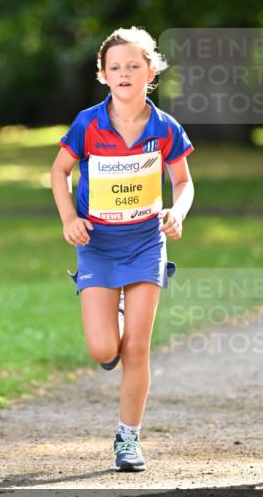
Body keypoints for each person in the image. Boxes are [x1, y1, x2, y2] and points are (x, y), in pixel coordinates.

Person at [51, 27, 195, 472]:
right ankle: (109, 323)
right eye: (116, 67)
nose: (125, 73)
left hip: (145, 244)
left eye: (134, 65)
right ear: (103, 75)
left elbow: (184, 182)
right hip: (96, 245)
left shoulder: (165, 127)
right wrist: (69, 219)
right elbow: (59, 173)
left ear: (150, 71)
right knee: (102, 349)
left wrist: (179, 212)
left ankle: (128, 437)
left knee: (137, 346)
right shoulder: (87, 123)